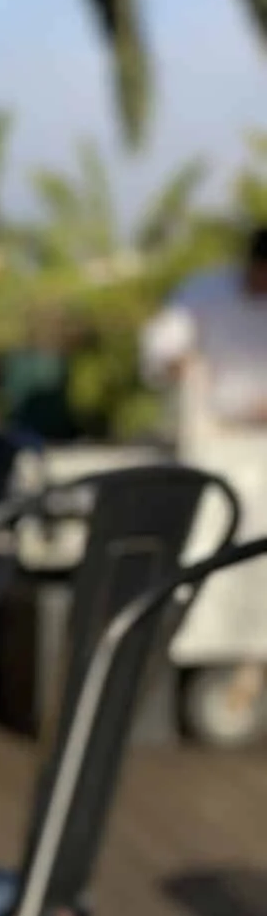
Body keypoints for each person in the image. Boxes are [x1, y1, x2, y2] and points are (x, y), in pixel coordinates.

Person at [140, 230, 267, 741]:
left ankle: (249, 670)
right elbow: (162, 346)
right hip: (211, 447)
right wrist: (180, 366)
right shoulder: (203, 293)